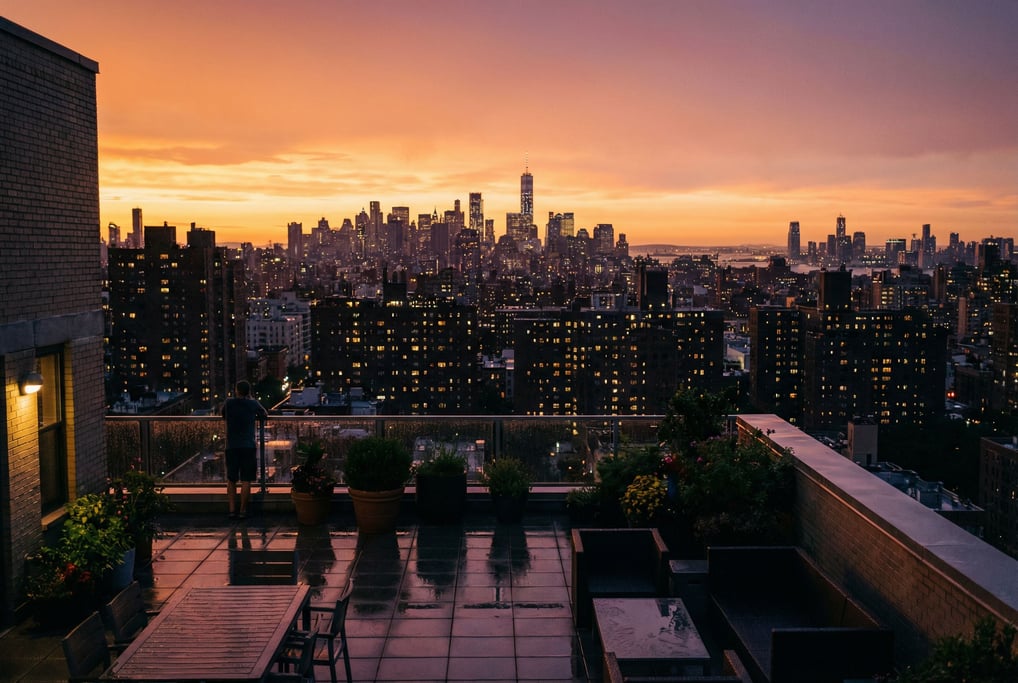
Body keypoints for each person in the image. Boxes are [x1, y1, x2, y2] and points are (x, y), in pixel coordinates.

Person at [221, 380, 267, 519]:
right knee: (246, 479)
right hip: (248, 446)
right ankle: (242, 511)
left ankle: (231, 510)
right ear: (249, 392)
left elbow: (223, 415)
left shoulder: (229, 403)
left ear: (236, 390)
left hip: (232, 445)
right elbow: (264, 414)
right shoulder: (253, 403)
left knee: (231, 479)